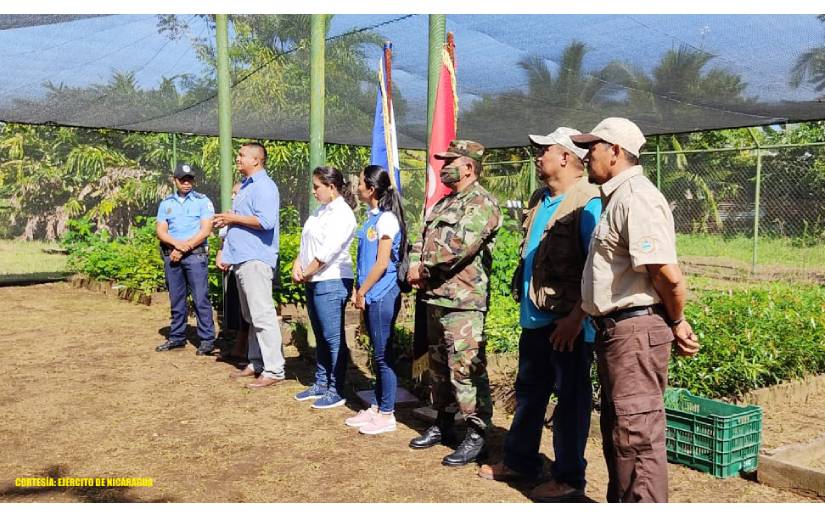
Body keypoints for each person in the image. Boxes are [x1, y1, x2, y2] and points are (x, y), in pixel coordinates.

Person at [570, 117, 701, 502]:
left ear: (614, 151)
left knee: (637, 437)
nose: (586, 156)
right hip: (617, 333)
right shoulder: (617, 198)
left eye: (592, 148)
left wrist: (676, 321)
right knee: (620, 431)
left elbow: (667, 275)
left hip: (634, 332)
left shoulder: (637, 197)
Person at [478, 128, 602, 502]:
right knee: (529, 394)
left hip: (568, 325)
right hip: (536, 320)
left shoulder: (587, 202)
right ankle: (521, 460)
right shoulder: (539, 199)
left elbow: (597, 267)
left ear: (566, 156)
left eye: (544, 149)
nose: (537, 156)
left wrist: (577, 318)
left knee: (570, 404)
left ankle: (568, 478)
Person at [407, 139, 502, 467]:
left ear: (468, 167)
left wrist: (423, 266)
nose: (443, 166)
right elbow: (420, 236)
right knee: (439, 368)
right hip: (436, 296)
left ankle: (476, 434)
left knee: (466, 370)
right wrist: (411, 263)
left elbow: (460, 246)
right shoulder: (443, 204)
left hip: (464, 302)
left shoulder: (482, 203)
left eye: (450, 161)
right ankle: (444, 422)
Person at [214, 142, 286, 389]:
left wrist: (232, 217)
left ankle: (274, 369)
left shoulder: (265, 187)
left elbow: (266, 221)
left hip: (256, 258)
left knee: (263, 314)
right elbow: (247, 219)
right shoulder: (246, 186)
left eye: (242, 155)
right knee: (251, 315)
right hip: (242, 258)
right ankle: (256, 362)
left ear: (257, 159)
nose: (238, 158)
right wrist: (229, 220)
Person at [344, 165, 406, 435]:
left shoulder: (387, 220)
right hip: (372, 292)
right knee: (377, 353)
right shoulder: (373, 217)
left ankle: (387, 413)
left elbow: (382, 263)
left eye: (360, 183)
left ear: (371, 189)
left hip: (382, 293)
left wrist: (362, 290)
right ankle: (378, 406)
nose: (357, 187)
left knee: (383, 355)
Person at [292, 166, 358, 410]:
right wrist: (297, 264)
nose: (313, 191)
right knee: (320, 335)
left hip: (331, 280)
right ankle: (320, 383)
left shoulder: (343, 215)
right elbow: (305, 242)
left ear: (331, 187)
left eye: (317, 187)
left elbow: (326, 253)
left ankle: (336, 389)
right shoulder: (320, 211)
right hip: (313, 280)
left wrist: (306, 272)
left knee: (332, 338)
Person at [154, 163, 217, 356]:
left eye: (190, 179)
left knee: (200, 298)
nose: (187, 183)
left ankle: (207, 340)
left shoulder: (202, 201)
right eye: (182, 180)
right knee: (176, 298)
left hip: (195, 255)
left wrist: (183, 248)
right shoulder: (166, 204)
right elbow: (161, 231)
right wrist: (177, 245)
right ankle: (177, 337)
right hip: (172, 256)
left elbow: (205, 230)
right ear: (175, 181)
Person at [218, 182, 250, 362]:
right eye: (231, 193)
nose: (232, 197)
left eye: (235, 193)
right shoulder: (231, 214)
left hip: (246, 266)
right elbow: (224, 239)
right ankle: (238, 348)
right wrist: (220, 253)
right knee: (237, 310)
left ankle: (246, 351)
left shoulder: (247, 216)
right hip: (232, 268)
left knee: (248, 312)